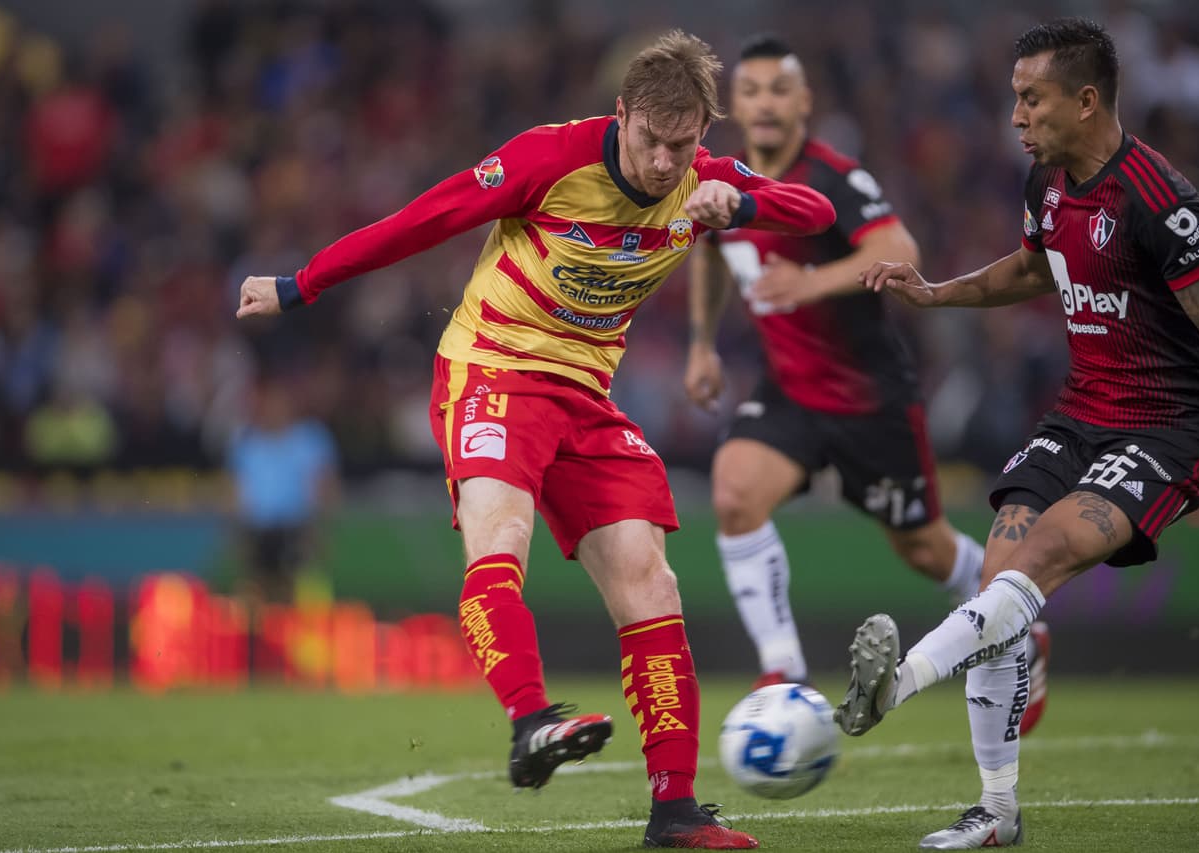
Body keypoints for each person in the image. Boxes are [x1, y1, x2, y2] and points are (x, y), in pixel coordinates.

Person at [236, 30, 836, 850]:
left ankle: (675, 810)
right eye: (650, 141)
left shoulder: (705, 181)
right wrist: (298, 286)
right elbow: (426, 218)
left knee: (651, 582)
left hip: (585, 398)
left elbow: (820, 210)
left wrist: (743, 202)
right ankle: (530, 722)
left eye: (683, 145)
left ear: (703, 135)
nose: (665, 163)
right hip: (490, 370)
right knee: (501, 537)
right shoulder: (549, 160)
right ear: (619, 115)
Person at [843, 18, 1199, 849]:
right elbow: (1035, 268)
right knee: (1000, 578)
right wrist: (935, 293)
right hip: (1081, 414)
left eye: (1031, 98)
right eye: (1012, 98)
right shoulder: (1045, 183)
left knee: (1028, 566)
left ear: (1086, 100)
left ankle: (892, 690)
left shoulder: (1162, 202)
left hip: (1170, 431)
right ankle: (997, 812)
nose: (1015, 116)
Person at [684, 32, 1048, 733]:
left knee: (923, 546)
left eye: (778, 90)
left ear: (803, 102)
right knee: (734, 489)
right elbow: (711, 248)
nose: (763, 103)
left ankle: (1022, 614)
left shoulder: (832, 177)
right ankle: (784, 670)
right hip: (789, 391)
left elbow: (898, 249)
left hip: (868, 400)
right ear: (735, 103)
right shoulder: (719, 179)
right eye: (751, 91)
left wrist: (811, 282)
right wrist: (702, 343)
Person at [226, 376, 339, 606]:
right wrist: (238, 536)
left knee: (299, 597)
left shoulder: (311, 439)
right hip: (258, 533)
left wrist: (318, 531)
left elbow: (325, 489)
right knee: (256, 598)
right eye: (269, 403)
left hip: (297, 531)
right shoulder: (246, 444)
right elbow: (236, 495)